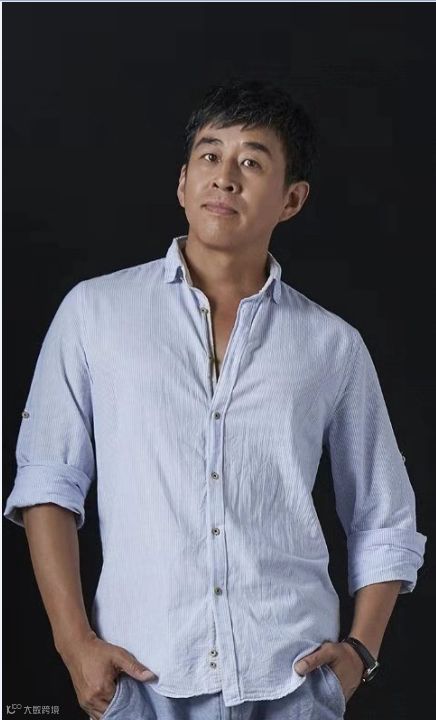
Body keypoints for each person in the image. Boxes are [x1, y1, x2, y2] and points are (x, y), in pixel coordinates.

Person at [4, 78, 427, 720]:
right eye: (209, 155)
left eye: (251, 162)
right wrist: (73, 643)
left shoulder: (332, 345)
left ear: (291, 199)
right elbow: (47, 483)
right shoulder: (94, 314)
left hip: (291, 684)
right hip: (140, 679)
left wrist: (360, 653)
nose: (224, 177)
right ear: (183, 183)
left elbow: (383, 514)